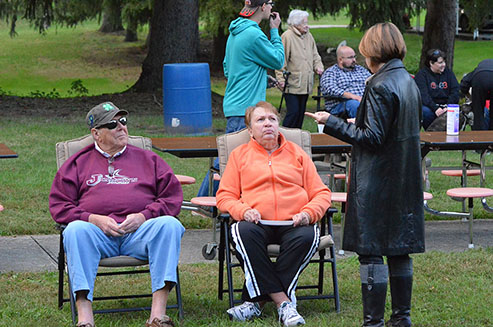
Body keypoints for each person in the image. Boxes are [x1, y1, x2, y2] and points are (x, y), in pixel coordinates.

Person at [306, 23, 424, 327]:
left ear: (373, 51)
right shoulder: (407, 81)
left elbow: (371, 137)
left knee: (372, 252)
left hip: (377, 180)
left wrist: (331, 121)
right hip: (403, 177)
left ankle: (373, 323)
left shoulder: (379, 84)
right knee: (399, 251)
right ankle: (402, 319)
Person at [49, 102, 185, 327]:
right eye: (113, 124)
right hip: (97, 236)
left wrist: (144, 216)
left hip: (140, 234)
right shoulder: (77, 163)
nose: (121, 127)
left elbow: (172, 198)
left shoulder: (148, 160)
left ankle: (158, 317)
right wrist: (92, 219)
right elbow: (59, 205)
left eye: (123, 121)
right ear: (96, 134)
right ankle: (85, 319)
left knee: (169, 225)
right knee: (74, 230)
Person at [216, 101, 331, 326]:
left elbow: (321, 193)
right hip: (256, 222)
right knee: (241, 231)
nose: (268, 124)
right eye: (260, 120)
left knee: (308, 236)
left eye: (272, 119)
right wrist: (243, 210)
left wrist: (308, 213)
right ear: (250, 130)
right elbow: (224, 197)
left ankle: (254, 302)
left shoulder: (297, 154)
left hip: (295, 222)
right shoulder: (240, 156)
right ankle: (284, 304)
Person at [197, 0, 284, 197]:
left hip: (235, 104)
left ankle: (210, 200)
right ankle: (204, 202)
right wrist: (275, 31)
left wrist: (260, 76)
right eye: (270, 3)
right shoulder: (254, 34)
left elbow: (229, 68)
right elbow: (278, 60)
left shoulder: (235, 32)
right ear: (262, 7)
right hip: (245, 108)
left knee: (231, 156)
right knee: (228, 158)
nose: (272, 7)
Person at [274, 9, 324, 128]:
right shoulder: (287, 36)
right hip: (292, 83)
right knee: (293, 112)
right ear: (295, 23)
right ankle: (285, 136)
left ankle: (296, 139)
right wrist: (280, 78)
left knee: (301, 114)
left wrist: (318, 66)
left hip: (305, 83)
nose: (307, 26)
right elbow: (281, 60)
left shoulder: (308, 36)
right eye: (304, 23)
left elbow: (315, 54)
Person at [319, 44, 371, 118]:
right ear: (340, 59)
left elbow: (372, 83)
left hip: (364, 102)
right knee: (354, 104)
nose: (354, 60)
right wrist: (353, 96)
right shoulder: (331, 72)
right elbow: (329, 89)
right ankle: (361, 128)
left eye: (354, 57)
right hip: (340, 105)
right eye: (350, 57)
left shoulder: (361, 70)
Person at [414, 49, 460, 130]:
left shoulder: (448, 73)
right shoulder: (422, 75)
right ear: (431, 63)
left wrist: (448, 106)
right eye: (440, 63)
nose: (444, 65)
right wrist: (435, 108)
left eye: (444, 62)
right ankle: (432, 134)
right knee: (425, 112)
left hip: (446, 106)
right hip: (431, 107)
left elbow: (455, 91)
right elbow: (423, 95)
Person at [460, 58, 493, 130]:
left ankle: (478, 136)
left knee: (478, 112)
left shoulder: (476, 71)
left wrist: (467, 94)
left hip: (479, 80)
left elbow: (463, 83)